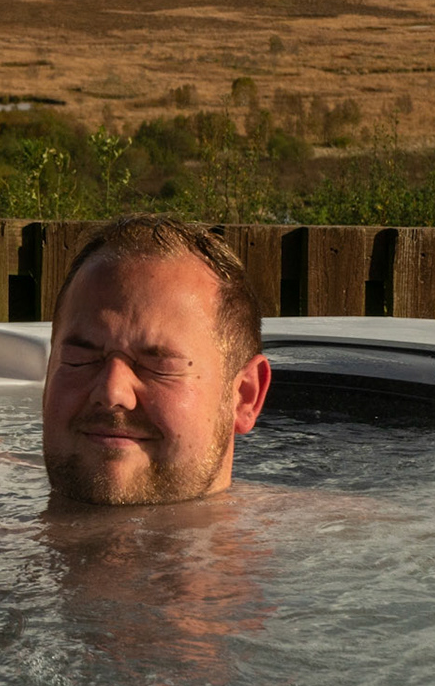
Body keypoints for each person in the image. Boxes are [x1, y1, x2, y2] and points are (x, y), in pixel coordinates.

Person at [43, 213, 272, 505]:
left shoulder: (332, 537)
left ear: (244, 397)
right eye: (79, 359)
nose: (112, 391)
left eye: (159, 366)